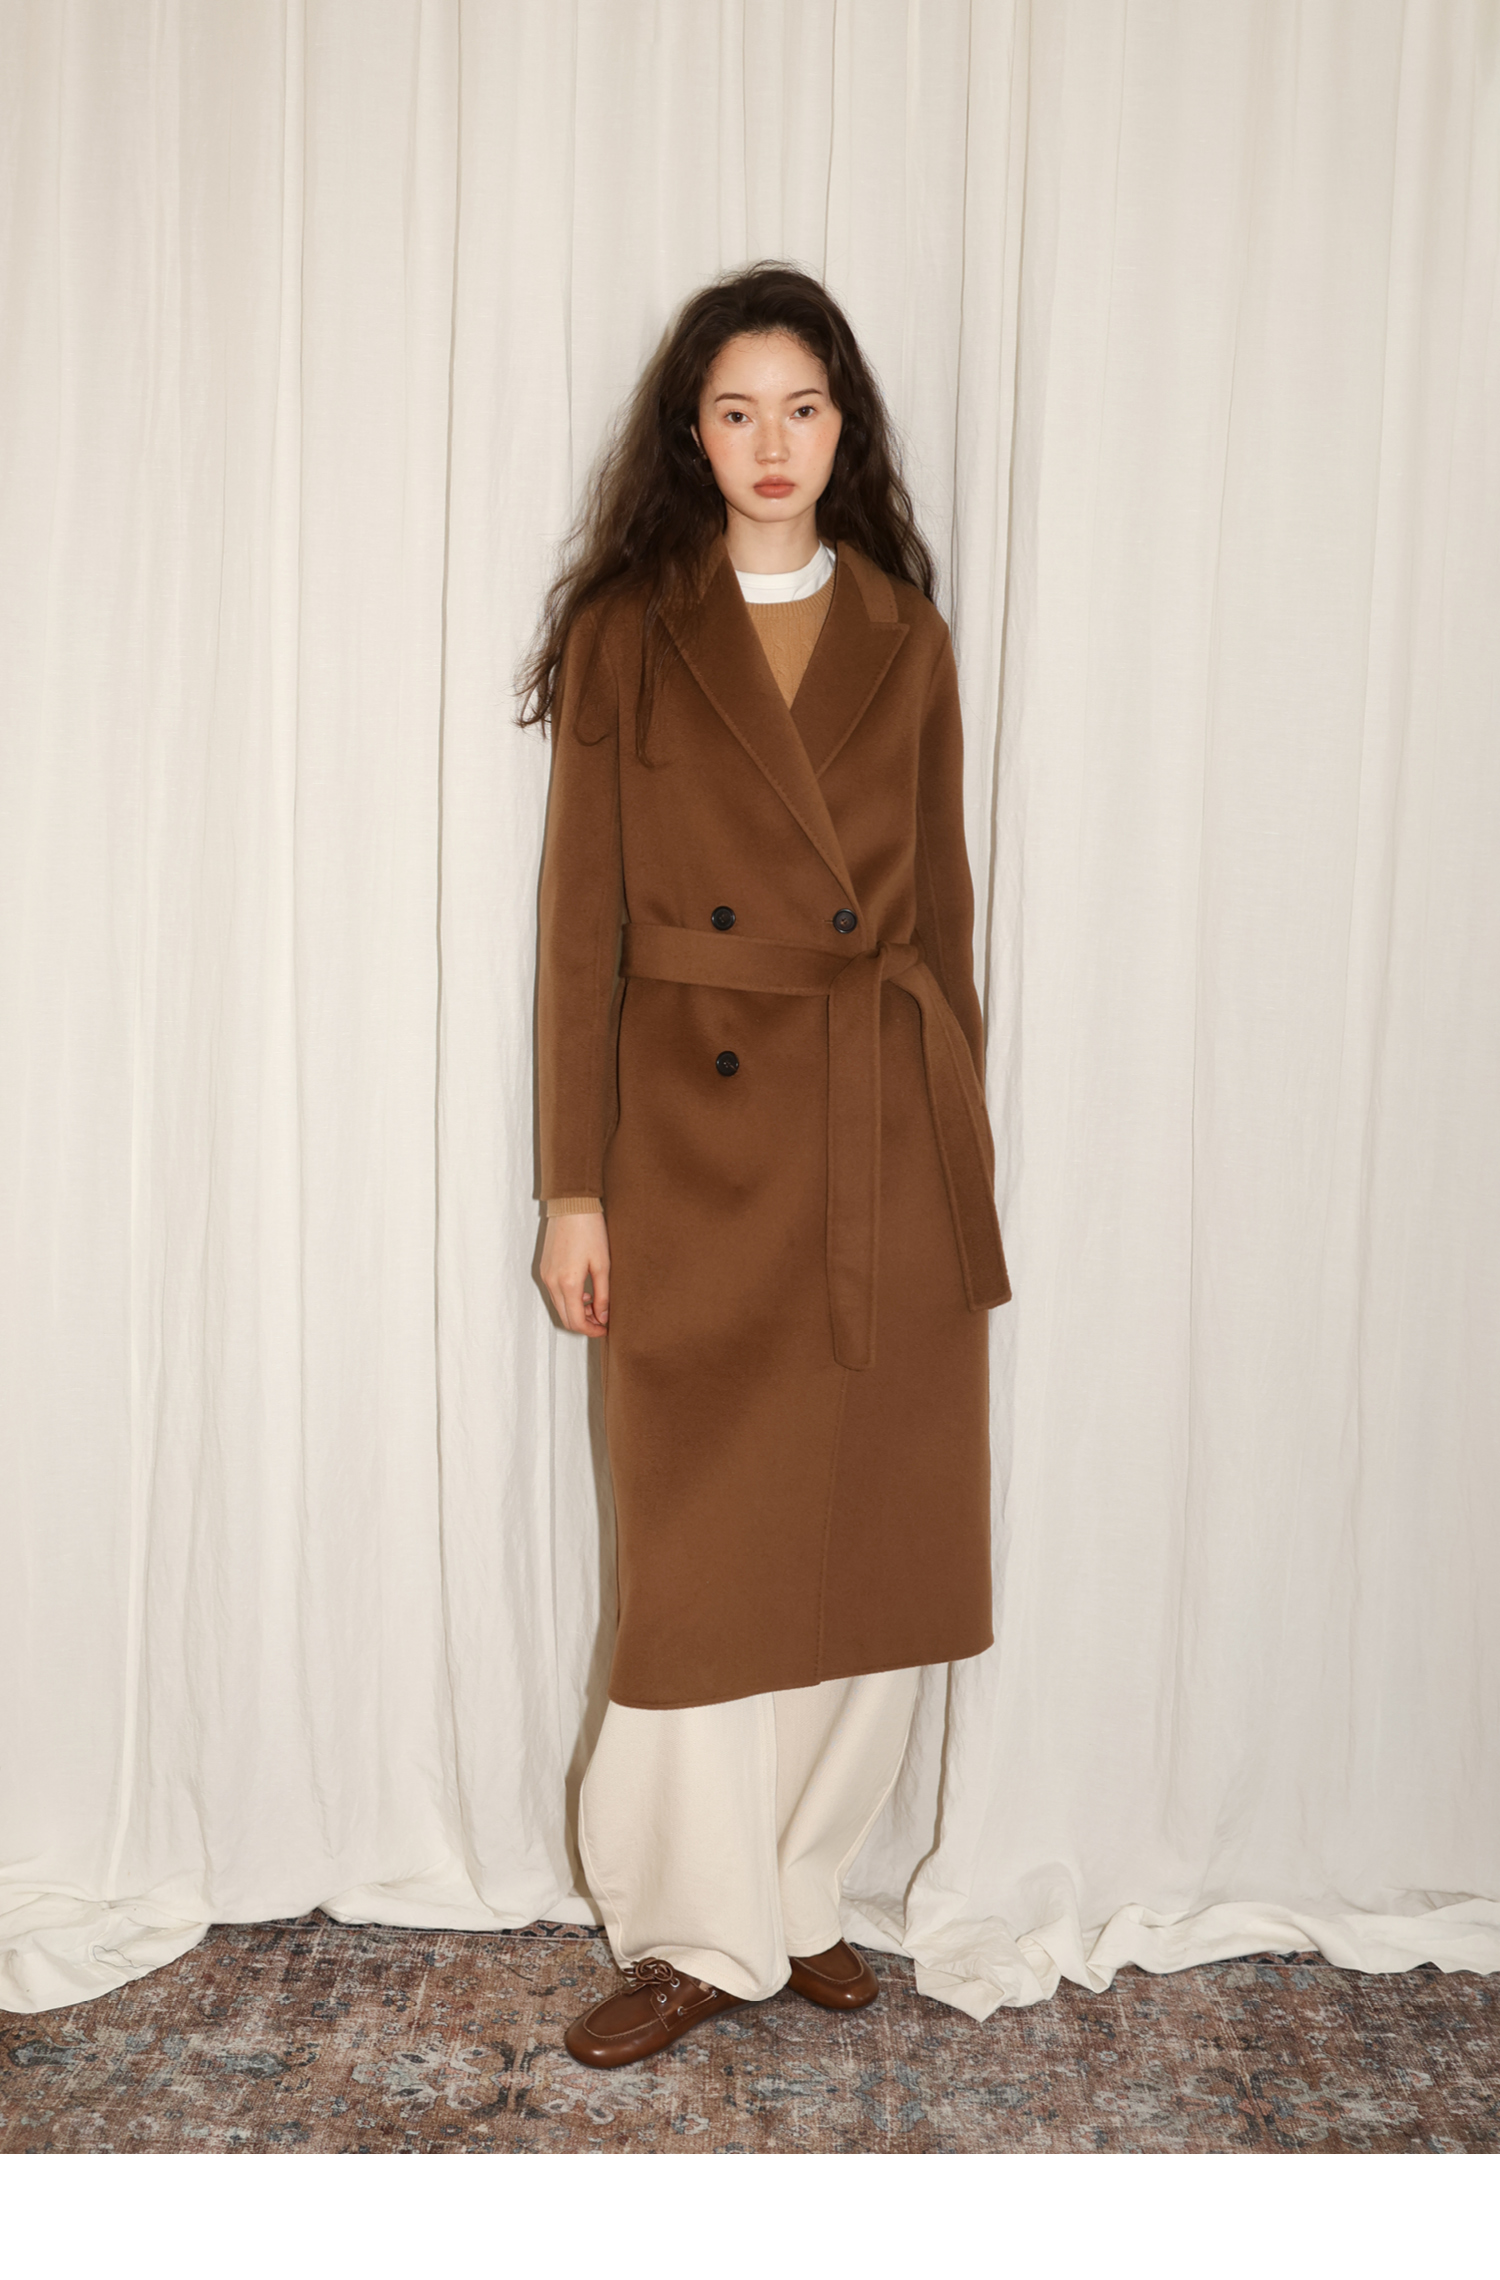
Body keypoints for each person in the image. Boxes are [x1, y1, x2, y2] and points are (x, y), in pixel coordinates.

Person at [518, 262, 1010, 2069]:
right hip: (694, 1137)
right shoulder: (628, 634)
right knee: (700, 1554)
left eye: (803, 407)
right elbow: (580, 927)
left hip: (883, 1128)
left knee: (874, 1538)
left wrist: (963, 1162)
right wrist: (575, 1188)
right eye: (737, 411)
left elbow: (941, 921)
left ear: (844, 427)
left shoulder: (907, 635)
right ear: (693, 436)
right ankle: (689, 1930)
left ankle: (798, 1893)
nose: (772, 442)